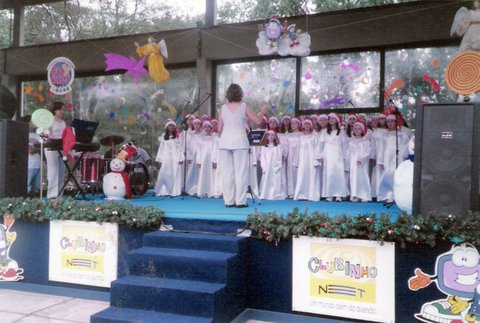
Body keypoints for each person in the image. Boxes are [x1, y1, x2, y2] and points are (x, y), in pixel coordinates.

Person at [217, 83, 266, 208]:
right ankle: (240, 202)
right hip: (240, 142)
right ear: (240, 94)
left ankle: (229, 201)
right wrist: (262, 112)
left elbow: (219, 130)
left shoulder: (222, 108)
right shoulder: (244, 106)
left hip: (224, 142)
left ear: (228, 94)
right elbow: (259, 122)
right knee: (241, 172)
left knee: (227, 173)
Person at [293, 119, 322, 201]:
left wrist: (317, 160)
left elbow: (317, 149)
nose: (306, 125)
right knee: (302, 175)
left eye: (308, 124)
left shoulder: (314, 137)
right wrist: (296, 162)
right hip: (303, 160)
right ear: (303, 125)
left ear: (311, 125)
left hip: (311, 159)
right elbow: (298, 150)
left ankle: (311, 195)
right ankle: (301, 194)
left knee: (312, 175)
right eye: (305, 124)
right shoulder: (301, 138)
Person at [321, 113, 348, 202]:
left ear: (337, 120)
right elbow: (321, 144)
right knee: (329, 174)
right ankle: (329, 194)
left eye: (333, 118)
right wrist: (320, 155)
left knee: (338, 174)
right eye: (330, 118)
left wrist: (344, 156)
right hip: (328, 156)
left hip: (338, 156)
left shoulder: (341, 131)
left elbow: (344, 145)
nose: (331, 120)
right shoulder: (325, 132)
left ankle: (338, 195)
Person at [154, 120, 183, 197]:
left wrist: (181, 158)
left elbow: (180, 148)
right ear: (167, 127)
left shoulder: (177, 136)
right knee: (164, 173)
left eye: (173, 126)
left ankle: (174, 191)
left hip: (175, 158)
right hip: (166, 158)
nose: (172, 127)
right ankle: (163, 191)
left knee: (174, 173)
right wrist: (159, 159)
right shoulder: (164, 136)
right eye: (170, 125)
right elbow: (161, 149)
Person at [45, 102, 66, 199]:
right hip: (51, 148)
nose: (62, 111)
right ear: (55, 110)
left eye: (63, 109)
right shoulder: (49, 120)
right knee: (53, 170)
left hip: (61, 147)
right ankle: (52, 195)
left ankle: (60, 194)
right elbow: (46, 134)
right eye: (61, 109)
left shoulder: (63, 122)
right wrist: (51, 137)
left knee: (61, 171)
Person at [347, 122, 372, 202]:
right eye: (355, 129)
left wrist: (362, 158)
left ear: (362, 130)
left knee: (363, 177)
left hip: (362, 163)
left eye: (359, 129)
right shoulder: (351, 142)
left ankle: (364, 195)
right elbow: (348, 153)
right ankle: (355, 195)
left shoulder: (365, 141)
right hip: (353, 162)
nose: (357, 130)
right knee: (354, 178)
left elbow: (368, 152)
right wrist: (347, 164)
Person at [259, 130, 285, 200]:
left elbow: (279, 158)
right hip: (267, 167)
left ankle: (274, 193)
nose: (270, 136)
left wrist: (277, 166)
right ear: (266, 137)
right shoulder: (264, 147)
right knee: (266, 178)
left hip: (275, 167)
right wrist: (264, 167)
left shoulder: (278, 147)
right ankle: (266, 193)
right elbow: (262, 158)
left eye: (272, 135)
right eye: (269, 135)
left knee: (275, 179)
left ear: (275, 137)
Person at [196, 120, 218, 198]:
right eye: (205, 127)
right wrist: (198, 160)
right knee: (203, 174)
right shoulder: (200, 138)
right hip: (203, 159)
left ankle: (211, 191)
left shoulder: (215, 138)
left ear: (211, 128)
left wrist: (215, 160)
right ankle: (202, 191)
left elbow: (215, 149)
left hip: (211, 159)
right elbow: (199, 150)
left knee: (212, 175)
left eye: (208, 126)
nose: (207, 128)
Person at [25, 117, 41, 195]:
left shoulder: (37, 135)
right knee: (26, 187)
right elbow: (30, 151)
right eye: (30, 122)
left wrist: (37, 149)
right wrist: (37, 149)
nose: (32, 124)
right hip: (28, 165)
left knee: (36, 189)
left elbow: (42, 148)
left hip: (37, 164)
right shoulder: (23, 135)